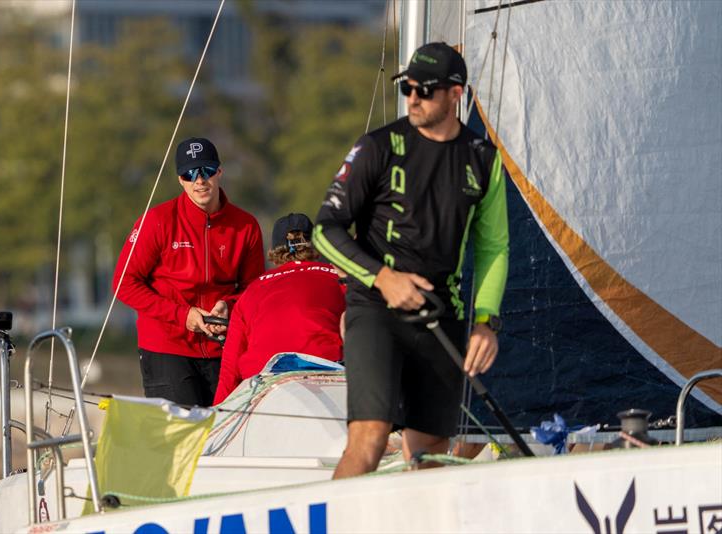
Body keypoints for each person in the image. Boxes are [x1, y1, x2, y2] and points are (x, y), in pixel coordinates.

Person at [313, 42, 509, 478]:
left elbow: (494, 247)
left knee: (431, 453)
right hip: (375, 308)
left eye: (426, 90)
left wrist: (485, 321)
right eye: (408, 88)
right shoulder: (377, 147)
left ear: (456, 94)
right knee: (370, 437)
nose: (414, 98)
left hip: (440, 314)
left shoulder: (483, 158)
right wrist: (383, 278)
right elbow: (324, 230)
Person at [113, 137, 265, 407]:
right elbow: (124, 284)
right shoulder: (157, 221)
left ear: (219, 172)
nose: (200, 180)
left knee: (227, 430)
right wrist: (182, 316)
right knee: (182, 431)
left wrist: (228, 306)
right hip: (166, 347)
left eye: (207, 171)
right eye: (190, 174)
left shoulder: (246, 225)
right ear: (180, 180)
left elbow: (253, 290)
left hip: (223, 348)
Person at [213, 213, 346, 404]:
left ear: (274, 250)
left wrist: (217, 412)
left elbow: (229, 371)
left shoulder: (252, 290)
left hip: (263, 385)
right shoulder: (339, 278)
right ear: (314, 246)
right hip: (326, 375)